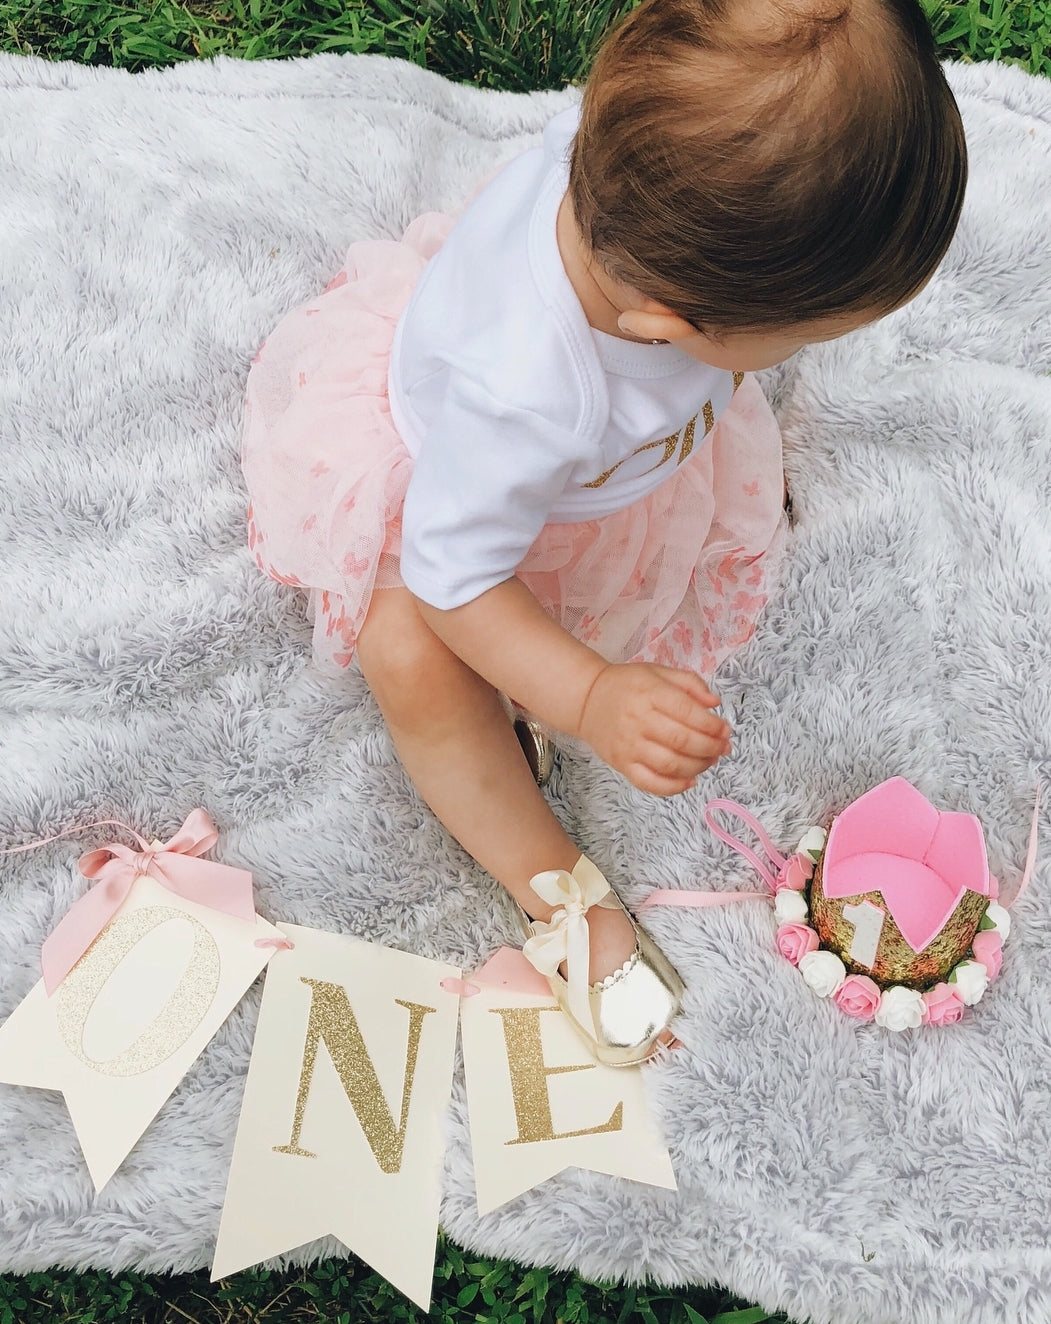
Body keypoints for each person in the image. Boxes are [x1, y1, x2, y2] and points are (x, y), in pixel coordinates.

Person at [241, 0, 967, 1065]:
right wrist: (587, 693)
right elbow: (454, 580)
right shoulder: (527, 400)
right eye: (803, 336)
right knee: (414, 665)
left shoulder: (638, 173)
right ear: (669, 329)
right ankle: (559, 893)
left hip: (578, 463)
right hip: (457, 528)